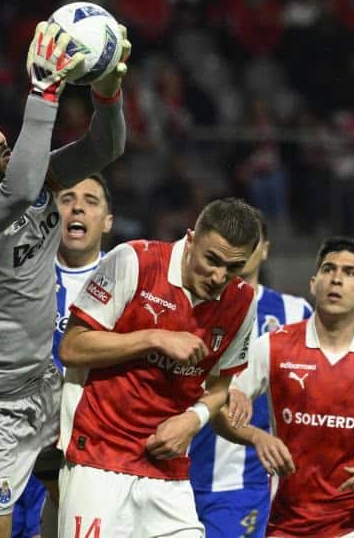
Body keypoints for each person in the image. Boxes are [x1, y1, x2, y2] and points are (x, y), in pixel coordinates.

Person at [0, 20, 130, 538]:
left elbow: (106, 148)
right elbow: (14, 196)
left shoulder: (39, 178)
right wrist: (43, 94)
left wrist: (108, 94)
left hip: (46, 384)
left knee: (79, 512)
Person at [57, 197, 260, 538]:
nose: (218, 276)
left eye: (233, 267)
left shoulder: (241, 301)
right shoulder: (135, 260)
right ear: (191, 240)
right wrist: (153, 337)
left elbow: (221, 386)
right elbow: (72, 347)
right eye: (212, 259)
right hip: (98, 456)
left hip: (168, 469)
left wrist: (192, 420)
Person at [216, 237, 354, 537]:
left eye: (349, 272)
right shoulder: (273, 346)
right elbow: (219, 409)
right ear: (314, 283)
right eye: (329, 269)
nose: (336, 279)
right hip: (288, 519)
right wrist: (256, 436)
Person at [189, 210, 312, 538]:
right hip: (174, 468)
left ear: (265, 249)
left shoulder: (296, 313)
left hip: (243, 481)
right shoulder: (190, 302)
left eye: (249, 240)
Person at [12, 174, 115, 538]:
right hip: (14, 440)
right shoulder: (18, 275)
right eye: (68, 197)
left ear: (107, 221)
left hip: (84, 450)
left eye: (91, 200)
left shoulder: (124, 283)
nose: (78, 207)